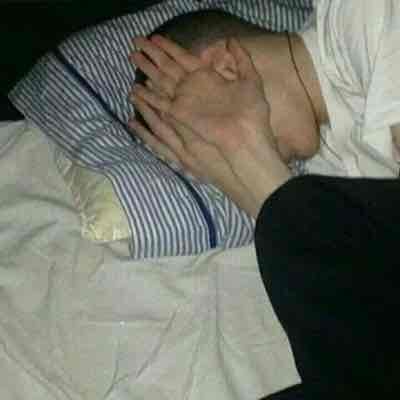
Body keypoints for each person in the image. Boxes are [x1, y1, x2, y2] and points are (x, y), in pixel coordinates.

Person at [129, 1, 400, 398]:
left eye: (207, 137)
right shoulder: (329, 172)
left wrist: (250, 157)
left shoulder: (358, 15)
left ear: (226, 68)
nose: (220, 162)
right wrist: (259, 181)